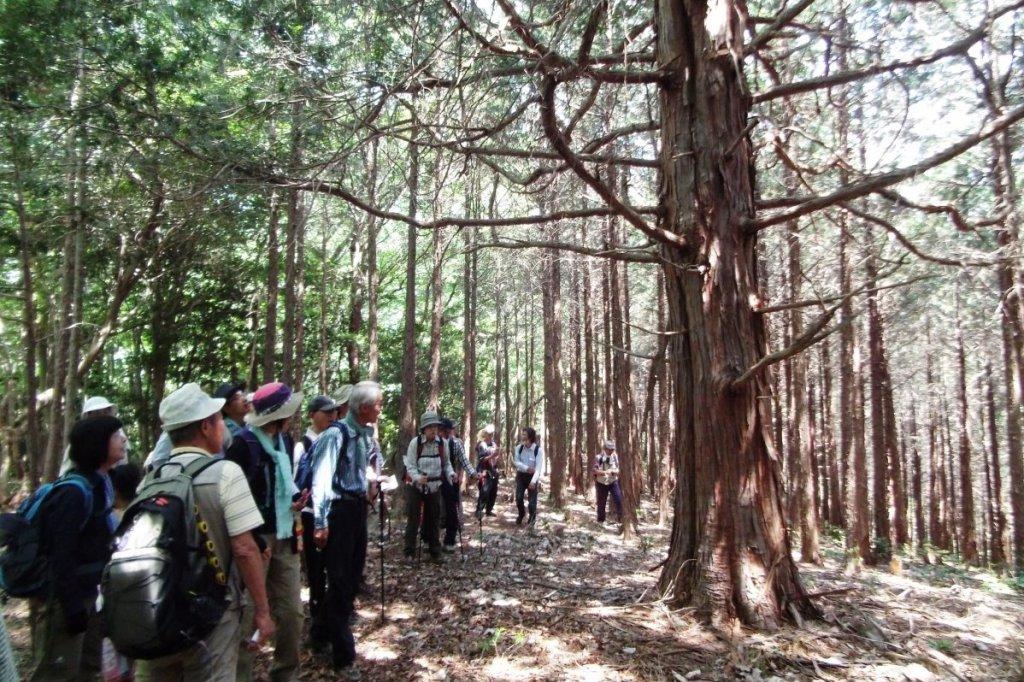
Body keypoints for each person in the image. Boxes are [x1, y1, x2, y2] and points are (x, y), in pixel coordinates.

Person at [135, 382, 274, 681]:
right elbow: (245, 549)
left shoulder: (151, 480)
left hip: (156, 612)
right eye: (218, 419)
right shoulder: (225, 473)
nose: (223, 424)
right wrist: (262, 611)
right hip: (212, 616)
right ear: (206, 427)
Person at [30, 416, 123, 681]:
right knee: (60, 672)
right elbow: (61, 553)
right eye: (116, 436)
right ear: (98, 445)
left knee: (90, 670)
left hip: (93, 597)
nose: (123, 440)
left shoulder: (100, 483)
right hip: (70, 600)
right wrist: (71, 606)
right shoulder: (73, 492)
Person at [225, 382, 305, 682]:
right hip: (254, 539)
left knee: (292, 613)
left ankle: (285, 673)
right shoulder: (242, 445)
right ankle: (239, 675)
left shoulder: (284, 440)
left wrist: (295, 500)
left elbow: (284, 484)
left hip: (285, 533)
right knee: (248, 616)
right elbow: (231, 495)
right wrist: (251, 536)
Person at [310, 381, 383, 679]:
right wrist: (320, 521)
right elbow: (322, 480)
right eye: (378, 404)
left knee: (352, 578)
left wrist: (373, 487)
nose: (380, 409)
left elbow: (356, 471)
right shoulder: (334, 435)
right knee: (339, 581)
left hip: (356, 510)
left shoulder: (364, 435)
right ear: (364, 407)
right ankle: (343, 655)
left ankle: (319, 632)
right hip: (338, 514)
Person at [291, 394, 338, 653]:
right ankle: (318, 625)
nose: (331, 417)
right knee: (317, 570)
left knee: (334, 568)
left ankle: (331, 619)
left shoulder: (335, 438)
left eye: (333, 412)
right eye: (325, 412)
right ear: (312, 414)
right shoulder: (304, 444)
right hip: (311, 514)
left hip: (332, 513)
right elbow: (296, 482)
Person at [403, 410, 454, 562]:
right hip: (416, 487)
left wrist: (451, 474)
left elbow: (446, 464)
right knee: (413, 519)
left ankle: (435, 552)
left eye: (435, 426)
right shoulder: (415, 443)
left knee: (434, 519)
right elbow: (410, 466)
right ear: (424, 429)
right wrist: (418, 478)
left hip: (434, 487)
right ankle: (409, 552)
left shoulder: (442, 444)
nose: (434, 429)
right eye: (430, 426)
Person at [59, 396, 129, 475]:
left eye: (106, 412)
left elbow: (123, 466)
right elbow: (65, 472)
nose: (102, 417)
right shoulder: (79, 442)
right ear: (88, 416)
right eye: (97, 413)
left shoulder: (119, 434)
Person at [438, 418, 477, 553]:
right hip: (433, 480)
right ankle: (430, 540)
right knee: (433, 510)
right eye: (445, 430)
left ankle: (450, 541)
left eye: (449, 431)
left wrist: (473, 473)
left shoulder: (455, 444)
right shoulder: (432, 442)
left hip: (451, 480)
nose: (447, 433)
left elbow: (464, 460)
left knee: (452, 511)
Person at [513, 427, 544, 527]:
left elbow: (538, 468)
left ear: (530, 437)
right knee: (518, 498)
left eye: (524, 434)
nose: (522, 436)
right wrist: (526, 468)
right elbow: (516, 462)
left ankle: (532, 520)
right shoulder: (519, 448)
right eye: (522, 434)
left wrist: (533, 481)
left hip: (532, 477)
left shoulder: (538, 450)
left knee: (532, 502)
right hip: (521, 476)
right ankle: (521, 514)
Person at [592, 440, 623, 524]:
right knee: (601, 502)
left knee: (619, 499)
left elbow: (619, 469)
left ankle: (621, 519)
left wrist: (614, 472)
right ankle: (600, 521)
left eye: (612, 449)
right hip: (601, 483)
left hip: (613, 482)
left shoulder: (615, 457)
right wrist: (604, 472)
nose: (611, 451)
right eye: (609, 449)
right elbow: (594, 470)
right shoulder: (599, 457)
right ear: (605, 449)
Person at [474, 424, 500, 520]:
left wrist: (496, 456)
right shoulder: (482, 445)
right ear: (485, 434)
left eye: (492, 433)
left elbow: (496, 456)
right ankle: (479, 510)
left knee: (493, 491)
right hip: (484, 471)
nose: (491, 435)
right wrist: (492, 456)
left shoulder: (493, 444)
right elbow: (481, 459)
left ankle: (489, 509)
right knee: (484, 491)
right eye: (489, 433)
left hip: (493, 470)